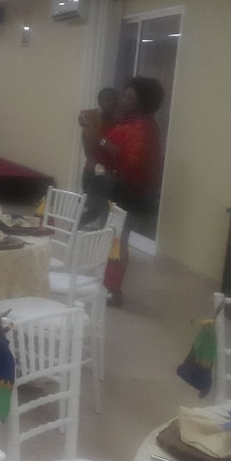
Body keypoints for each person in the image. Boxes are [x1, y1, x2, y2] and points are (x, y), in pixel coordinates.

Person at [94, 76, 164, 307]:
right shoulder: (132, 122)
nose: (122, 100)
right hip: (119, 187)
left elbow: (130, 159)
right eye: (124, 95)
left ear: (142, 102)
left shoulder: (142, 127)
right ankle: (106, 285)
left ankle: (113, 291)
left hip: (127, 191)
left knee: (117, 240)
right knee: (112, 237)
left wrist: (99, 139)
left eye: (129, 97)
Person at [77, 87, 119, 226]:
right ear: (99, 101)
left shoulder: (117, 122)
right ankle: (73, 229)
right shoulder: (91, 120)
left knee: (106, 209)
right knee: (94, 209)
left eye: (114, 100)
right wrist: (95, 164)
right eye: (108, 100)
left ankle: (98, 234)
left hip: (110, 172)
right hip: (93, 171)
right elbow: (88, 147)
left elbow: (115, 149)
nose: (111, 103)